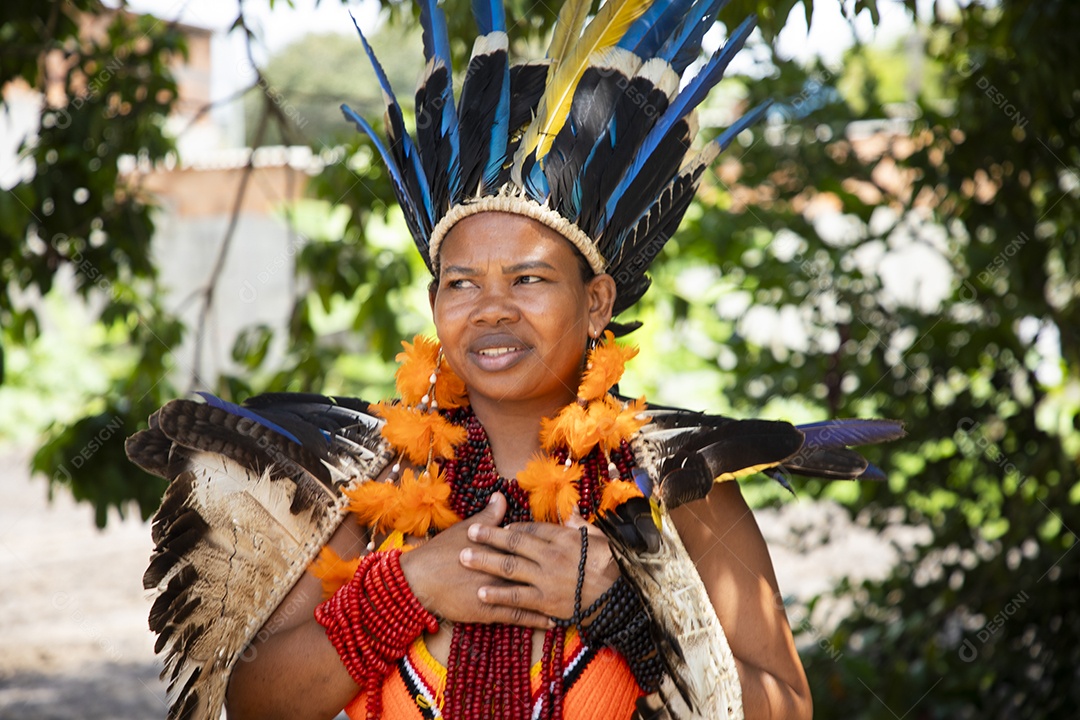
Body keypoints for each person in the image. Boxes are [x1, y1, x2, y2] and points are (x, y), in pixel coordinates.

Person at [128, 1, 900, 717]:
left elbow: (783, 705)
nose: (491, 309)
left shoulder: (673, 488)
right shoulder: (367, 486)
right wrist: (409, 587)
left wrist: (627, 612)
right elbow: (258, 701)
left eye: (528, 279)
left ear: (596, 302)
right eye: (461, 283)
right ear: (436, 308)